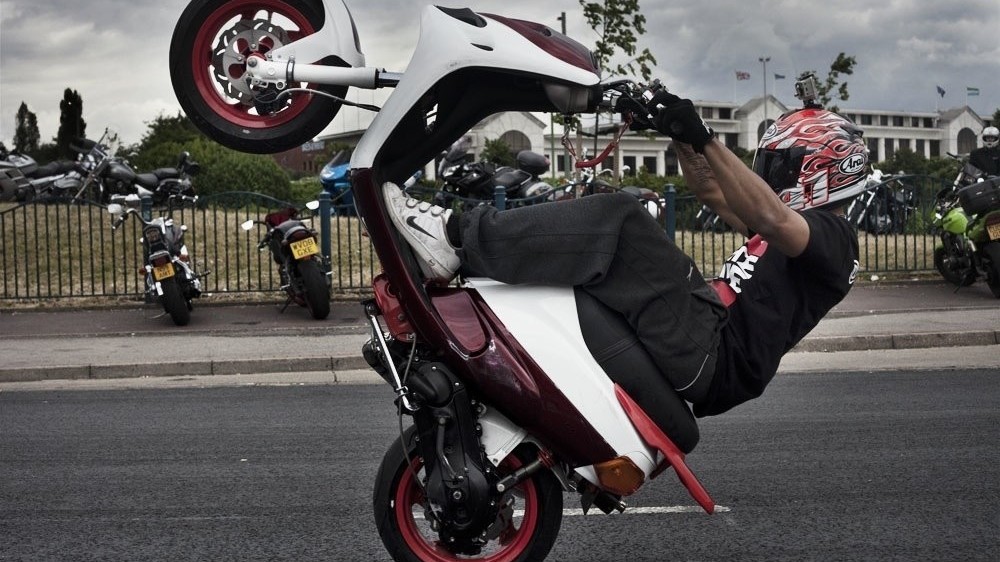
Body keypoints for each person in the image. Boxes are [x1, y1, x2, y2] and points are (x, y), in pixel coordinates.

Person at [383, 90, 866, 417]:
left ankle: (451, 236)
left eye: (780, 164)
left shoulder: (833, 239)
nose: (770, 174)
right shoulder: (792, 232)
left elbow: (770, 217)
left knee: (622, 219)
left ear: (824, 168)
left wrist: (706, 137)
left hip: (716, 352)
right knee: (587, 265)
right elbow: (713, 192)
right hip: (703, 336)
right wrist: (678, 132)